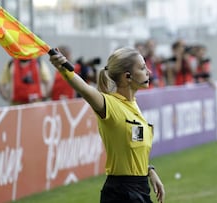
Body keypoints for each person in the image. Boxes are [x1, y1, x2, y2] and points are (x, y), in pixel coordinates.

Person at [49, 47, 165, 203]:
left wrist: (149, 170)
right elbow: (84, 89)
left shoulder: (133, 104)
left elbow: (132, 151)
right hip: (121, 193)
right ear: (127, 76)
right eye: (143, 68)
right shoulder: (109, 104)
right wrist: (62, 68)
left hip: (140, 188)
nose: (149, 72)